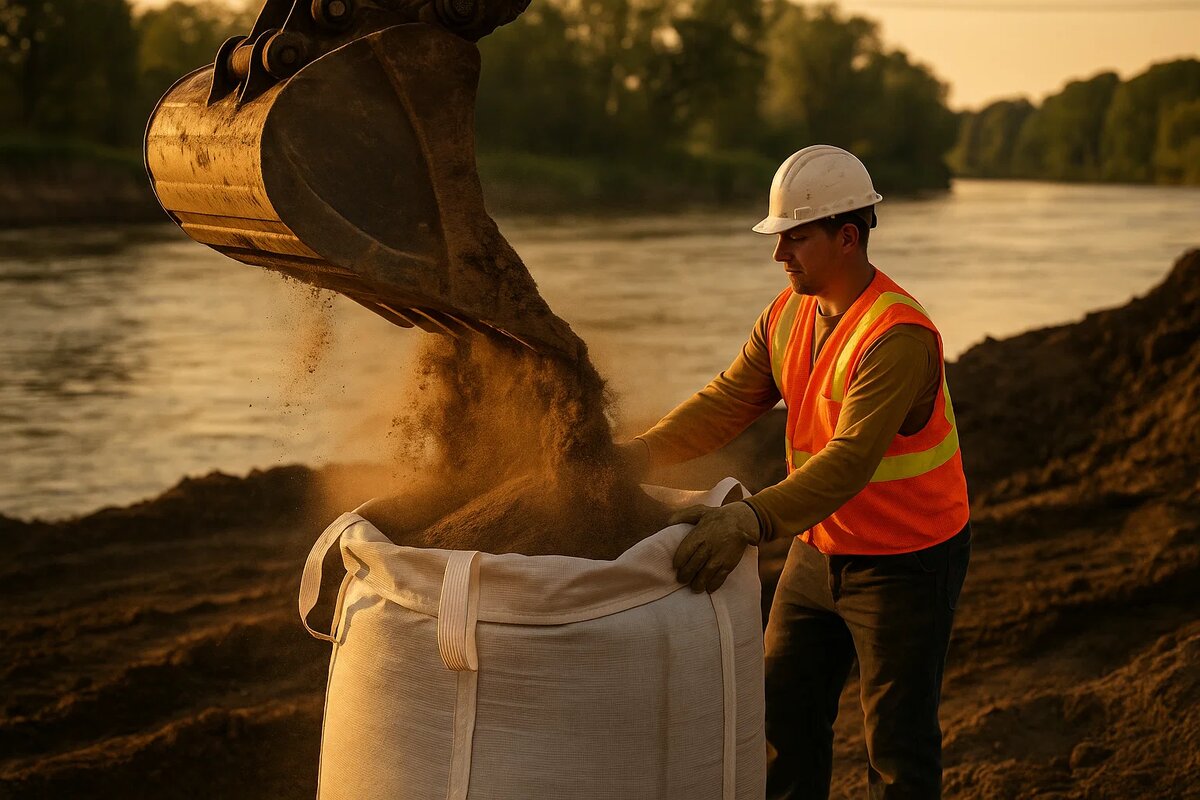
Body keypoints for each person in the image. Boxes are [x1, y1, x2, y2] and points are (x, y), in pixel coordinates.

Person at [619, 144, 972, 799]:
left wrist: (747, 520)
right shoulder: (787, 315)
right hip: (820, 549)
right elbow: (726, 401)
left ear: (846, 237)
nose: (778, 254)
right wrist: (633, 456)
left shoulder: (897, 335)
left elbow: (849, 461)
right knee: (783, 718)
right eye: (778, 239)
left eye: (793, 239)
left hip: (905, 561)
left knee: (897, 746)